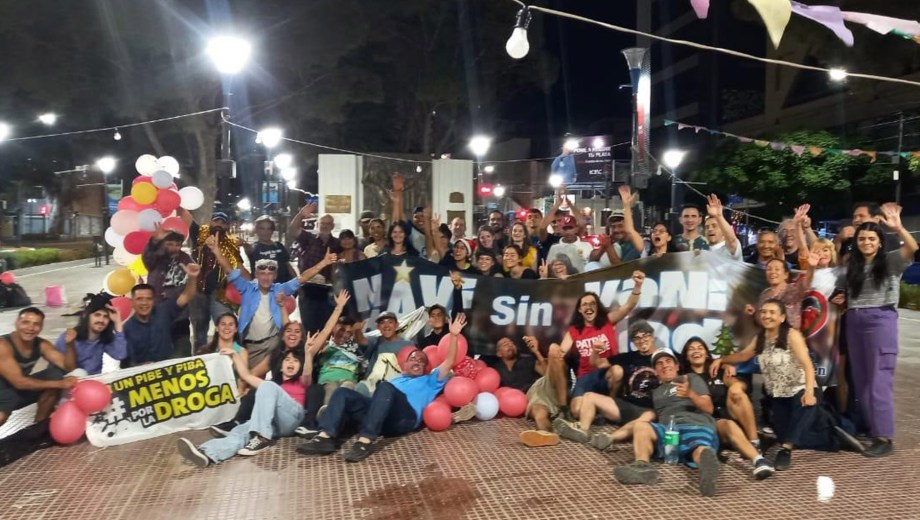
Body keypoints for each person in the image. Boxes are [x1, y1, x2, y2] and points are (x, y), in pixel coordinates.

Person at [711, 299, 860, 470]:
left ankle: (786, 450)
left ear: (782, 317)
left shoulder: (791, 335)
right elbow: (743, 355)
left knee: (791, 435)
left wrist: (810, 392)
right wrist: (722, 360)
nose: (767, 316)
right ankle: (832, 436)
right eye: (764, 312)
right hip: (779, 395)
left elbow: (807, 366)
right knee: (787, 434)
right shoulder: (760, 337)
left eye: (772, 312)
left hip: (800, 388)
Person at [296, 315, 467, 462]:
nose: (417, 361)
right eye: (413, 359)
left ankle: (365, 442)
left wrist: (453, 335)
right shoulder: (397, 379)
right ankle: (326, 437)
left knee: (385, 387)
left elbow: (449, 360)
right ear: (404, 364)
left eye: (422, 361)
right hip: (379, 417)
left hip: (403, 419)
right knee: (343, 393)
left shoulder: (430, 380)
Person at [836, 206, 918, 457]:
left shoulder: (891, 260)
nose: (866, 242)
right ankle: (874, 431)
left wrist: (897, 227)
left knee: (878, 381)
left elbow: (912, 249)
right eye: (862, 238)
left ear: (880, 242)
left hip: (880, 320)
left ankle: (884, 437)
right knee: (861, 382)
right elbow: (844, 291)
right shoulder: (853, 265)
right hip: (855, 320)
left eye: (872, 238)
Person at [208, 235, 337, 370]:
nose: (266, 277)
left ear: (275, 276)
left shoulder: (279, 289)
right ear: (256, 275)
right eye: (262, 273)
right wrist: (216, 251)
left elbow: (302, 278)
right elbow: (229, 269)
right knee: (243, 377)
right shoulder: (247, 287)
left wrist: (324, 263)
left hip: (272, 344)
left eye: (270, 274)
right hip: (248, 344)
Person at [613, 349, 721, 497]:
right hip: (668, 432)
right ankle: (642, 467)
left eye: (668, 361)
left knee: (700, 449)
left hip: (695, 426)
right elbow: (641, 410)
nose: (665, 365)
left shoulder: (690, 378)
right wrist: (611, 436)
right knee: (641, 426)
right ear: (656, 371)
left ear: (677, 366)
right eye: (659, 363)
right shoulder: (655, 392)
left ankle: (707, 474)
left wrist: (690, 394)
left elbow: (708, 408)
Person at [176, 348, 307, 466]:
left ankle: (263, 438)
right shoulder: (272, 385)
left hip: (293, 418)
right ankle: (207, 452)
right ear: (281, 367)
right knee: (241, 432)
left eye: (295, 361)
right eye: (287, 360)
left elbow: (307, 371)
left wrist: (309, 353)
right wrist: (234, 355)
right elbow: (246, 376)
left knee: (267, 385)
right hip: (271, 423)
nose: (291, 363)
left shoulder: (303, 380)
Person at [551, 320, 658, 448]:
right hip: (626, 404)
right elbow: (598, 363)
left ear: (652, 336)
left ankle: (610, 439)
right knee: (589, 396)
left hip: (650, 409)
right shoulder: (628, 357)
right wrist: (595, 351)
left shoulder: (666, 357)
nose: (641, 340)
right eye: (636, 338)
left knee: (644, 420)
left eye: (645, 335)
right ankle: (582, 429)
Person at [679, 337, 768, 467]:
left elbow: (736, 383)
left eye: (700, 348)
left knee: (737, 392)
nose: (696, 351)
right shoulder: (684, 378)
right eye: (691, 349)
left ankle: (755, 442)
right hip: (709, 423)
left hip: (729, 414)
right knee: (728, 424)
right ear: (686, 356)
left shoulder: (718, 371)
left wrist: (736, 385)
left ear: (707, 353)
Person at [0, 307, 78, 428]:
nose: (30, 328)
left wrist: (70, 345)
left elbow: (68, 367)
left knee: (55, 374)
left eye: (36, 324)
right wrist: (60, 384)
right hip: (5, 392)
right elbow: (19, 382)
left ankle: (36, 430)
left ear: (41, 327)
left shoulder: (41, 344)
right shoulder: (3, 345)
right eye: (25, 322)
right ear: (16, 323)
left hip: (16, 391)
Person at [123, 263, 201, 366]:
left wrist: (192, 277)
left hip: (168, 373)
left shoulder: (163, 310)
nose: (144, 303)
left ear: (154, 300)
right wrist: (144, 368)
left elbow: (187, 296)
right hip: (142, 377)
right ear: (132, 302)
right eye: (139, 299)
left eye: (148, 299)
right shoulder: (127, 328)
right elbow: (126, 365)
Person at [186, 210, 244, 345]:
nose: (218, 224)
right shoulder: (199, 236)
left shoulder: (231, 245)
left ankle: (229, 358)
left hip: (221, 293)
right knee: (199, 331)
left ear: (227, 226)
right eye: (216, 221)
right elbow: (185, 216)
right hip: (198, 292)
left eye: (222, 223)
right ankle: (201, 360)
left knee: (226, 327)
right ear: (210, 222)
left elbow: (240, 268)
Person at [142, 224, 194, 354]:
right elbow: (147, 257)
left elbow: (190, 283)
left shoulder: (185, 259)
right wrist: (155, 241)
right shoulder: (156, 258)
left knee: (182, 352)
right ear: (163, 243)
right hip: (158, 313)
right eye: (169, 244)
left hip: (180, 315)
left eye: (177, 245)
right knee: (160, 352)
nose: (174, 248)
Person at [289, 203, 340, 335]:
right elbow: (293, 230)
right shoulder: (309, 239)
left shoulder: (337, 243)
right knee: (308, 327)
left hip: (327, 289)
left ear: (333, 226)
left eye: (328, 224)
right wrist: (300, 215)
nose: (325, 226)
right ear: (317, 224)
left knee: (325, 327)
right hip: (308, 288)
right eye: (322, 223)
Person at [54, 293, 127, 375]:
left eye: (106, 316)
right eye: (97, 315)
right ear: (86, 316)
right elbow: (57, 369)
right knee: (80, 373)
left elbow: (120, 355)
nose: (101, 320)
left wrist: (118, 323)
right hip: (69, 382)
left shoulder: (104, 338)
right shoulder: (67, 337)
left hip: (94, 383)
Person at [356, 311, 415, 396]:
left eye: (390, 322)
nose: (386, 326)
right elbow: (362, 341)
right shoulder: (375, 341)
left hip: (395, 386)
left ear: (397, 325)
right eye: (382, 323)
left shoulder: (408, 344)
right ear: (378, 327)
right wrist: (357, 331)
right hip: (371, 386)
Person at [756, 255, 816, 330]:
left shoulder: (793, 289)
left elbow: (806, 284)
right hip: (768, 336)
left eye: (777, 269)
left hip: (790, 336)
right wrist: (752, 312)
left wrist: (811, 267)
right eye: (769, 269)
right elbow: (759, 319)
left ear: (786, 274)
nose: (772, 272)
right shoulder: (764, 294)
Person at [590, 186, 645, 267]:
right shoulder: (614, 242)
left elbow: (622, 269)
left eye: (620, 226)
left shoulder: (635, 245)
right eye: (613, 227)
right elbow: (592, 260)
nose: (616, 230)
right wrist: (603, 246)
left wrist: (609, 247)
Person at [244, 215, 296, 284]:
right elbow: (247, 248)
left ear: (272, 230)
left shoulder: (279, 246)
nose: (266, 232)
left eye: (269, 229)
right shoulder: (253, 248)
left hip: (285, 288)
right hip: (265, 290)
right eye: (262, 228)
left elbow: (289, 267)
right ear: (256, 230)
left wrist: (298, 285)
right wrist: (243, 244)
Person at [703, 194, 743, 260]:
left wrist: (719, 216)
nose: (710, 229)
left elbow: (732, 241)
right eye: (707, 227)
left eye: (714, 226)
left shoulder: (731, 249)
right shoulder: (703, 252)